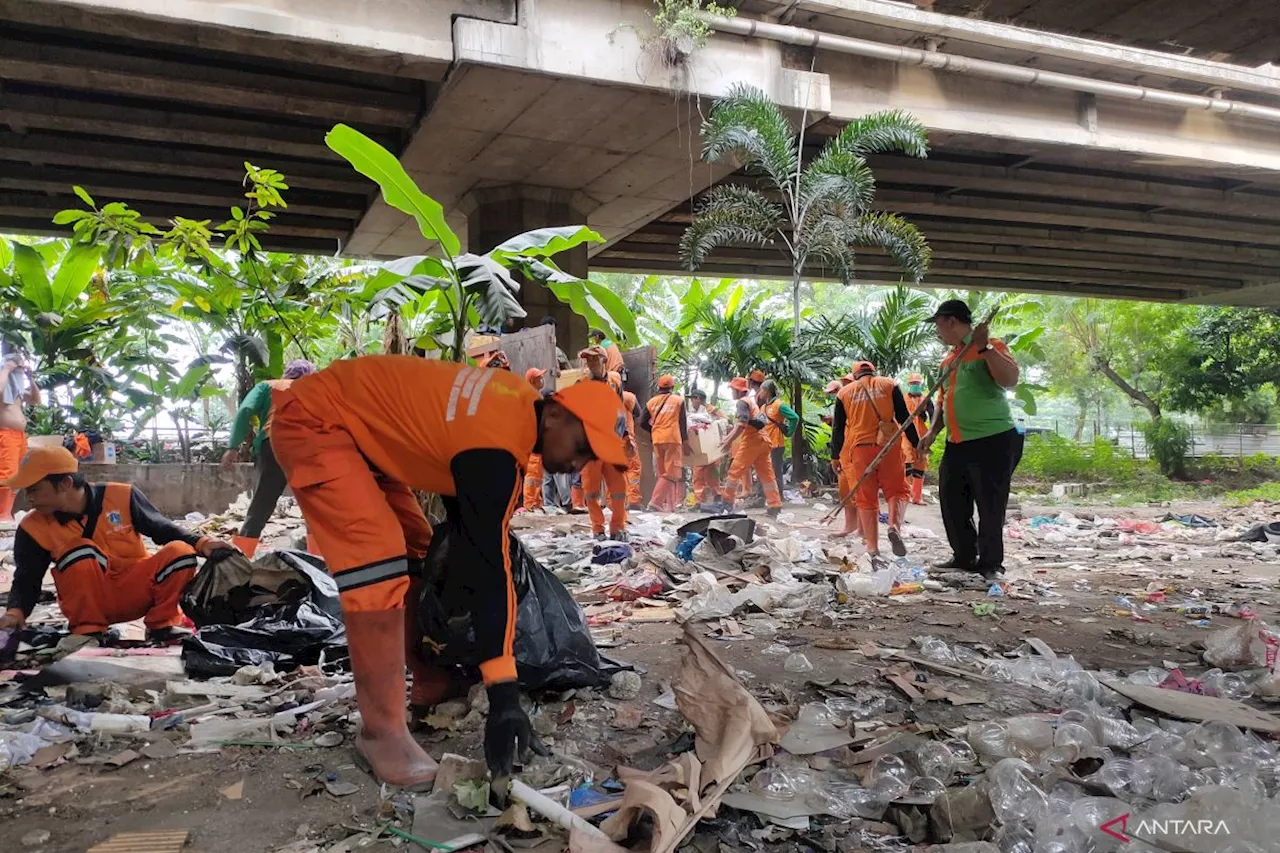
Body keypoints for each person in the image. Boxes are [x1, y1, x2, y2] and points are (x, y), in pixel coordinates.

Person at [269, 355, 628, 789]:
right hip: (317, 421)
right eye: (582, 447)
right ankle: (381, 734)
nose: (581, 463)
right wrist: (503, 694)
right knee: (377, 563)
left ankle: (428, 678)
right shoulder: (496, 444)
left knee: (419, 551)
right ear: (553, 413)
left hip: (361, 437)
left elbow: (468, 531)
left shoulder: (510, 413)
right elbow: (487, 564)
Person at [0, 447, 235, 644]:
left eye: (34, 489)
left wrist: (202, 543)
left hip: (136, 590)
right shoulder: (32, 526)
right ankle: (89, 631)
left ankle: (162, 626)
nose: (29, 497)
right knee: (79, 550)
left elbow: (162, 528)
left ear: (65, 484)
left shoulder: (121, 495)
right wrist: (15, 613)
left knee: (181, 553)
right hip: (88, 601)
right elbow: (26, 578)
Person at [917, 300, 1022, 580]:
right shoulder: (949, 360)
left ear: (951, 321)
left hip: (993, 438)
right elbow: (943, 400)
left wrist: (985, 347)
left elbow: (1010, 379)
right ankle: (964, 556)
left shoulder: (990, 346)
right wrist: (933, 432)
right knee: (952, 501)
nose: (937, 331)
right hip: (957, 442)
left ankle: (990, 564)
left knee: (989, 504)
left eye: (938, 325)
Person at [221, 359, 317, 556]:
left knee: (261, 504)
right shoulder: (317, 391)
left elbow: (245, 410)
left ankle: (242, 556)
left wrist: (232, 446)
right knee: (314, 506)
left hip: (273, 444)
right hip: (309, 447)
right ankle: (317, 560)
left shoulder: (267, 386)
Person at [831, 362, 920, 556]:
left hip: (860, 449)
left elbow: (837, 428)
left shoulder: (844, 393)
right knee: (897, 491)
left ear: (855, 375)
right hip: (888, 446)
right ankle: (894, 526)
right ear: (873, 372)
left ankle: (872, 547)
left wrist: (835, 456)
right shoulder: (889, 384)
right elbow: (905, 417)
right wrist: (916, 443)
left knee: (866, 498)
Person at [578, 347, 628, 540]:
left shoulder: (614, 381)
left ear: (604, 360)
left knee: (618, 489)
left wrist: (626, 438)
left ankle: (617, 528)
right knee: (591, 491)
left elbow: (621, 409)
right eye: (588, 360)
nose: (590, 363)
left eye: (594, 359)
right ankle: (598, 528)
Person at [720, 377, 782, 515]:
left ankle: (727, 503)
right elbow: (762, 421)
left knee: (734, 471)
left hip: (752, 442)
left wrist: (728, 442)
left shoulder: (742, 403)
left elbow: (741, 425)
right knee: (767, 475)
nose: (731, 393)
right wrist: (728, 439)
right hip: (764, 441)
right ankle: (775, 505)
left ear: (737, 391)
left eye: (732, 390)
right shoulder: (752, 402)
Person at [0, 355, 40, 521]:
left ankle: (6, 512)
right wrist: (7, 368)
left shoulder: (17, 392)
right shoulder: (3, 388)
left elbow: (37, 399)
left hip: (20, 437)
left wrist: (30, 377)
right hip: (6, 434)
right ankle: (2, 514)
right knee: (6, 475)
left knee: (18, 476)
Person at [641, 375, 688, 512]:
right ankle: (655, 502)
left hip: (657, 440)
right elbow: (682, 423)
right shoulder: (678, 400)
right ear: (672, 388)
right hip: (672, 439)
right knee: (671, 474)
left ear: (659, 388)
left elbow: (643, 422)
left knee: (664, 474)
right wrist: (686, 442)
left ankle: (670, 507)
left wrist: (654, 430)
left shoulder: (651, 402)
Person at [758, 380, 799, 493]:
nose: (759, 392)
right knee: (765, 471)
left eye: (761, 389)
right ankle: (766, 496)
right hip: (765, 445)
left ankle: (778, 496)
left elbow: (794, 417)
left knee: (776, 472)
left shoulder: (779, 405)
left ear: (767, 391)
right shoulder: (763, 408)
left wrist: (789, 432)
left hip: (776, 444)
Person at [687, 389, 723, 510]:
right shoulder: (694, 413)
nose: (691, 402)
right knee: (699, 474)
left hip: (711, 447)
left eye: (692, 399)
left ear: (698, 399)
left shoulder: (712, 410)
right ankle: (699, 501)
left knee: (711, 473)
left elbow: (724, 421)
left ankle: (716, 496)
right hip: (700, 447)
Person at [901, 373, 934, 507]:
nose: (915, 385)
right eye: (913, 383)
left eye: (917, 383)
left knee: (921, 463)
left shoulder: (926, 399)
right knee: (907, 460)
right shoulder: (902, 399)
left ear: (920, 384)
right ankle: (906, 494)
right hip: (905, 434)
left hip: (921, 434)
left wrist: (932, 432)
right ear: (909, 385)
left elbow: (933, 414)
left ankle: (917, 497)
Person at [522, 368, 547, 511]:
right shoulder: (531, 397)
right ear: (533, 381)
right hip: (533, 444)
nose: (542, 379)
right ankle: (530, 504)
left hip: (538, 442)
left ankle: (536, 503)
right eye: (539, 377)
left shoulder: (536, 396)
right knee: (532, 476)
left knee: (537, 476)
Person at [620, 387, 643, 510]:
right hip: (626, 439)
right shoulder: (627, 397)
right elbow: (638, 413)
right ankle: (633, 500)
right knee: (633, 468)